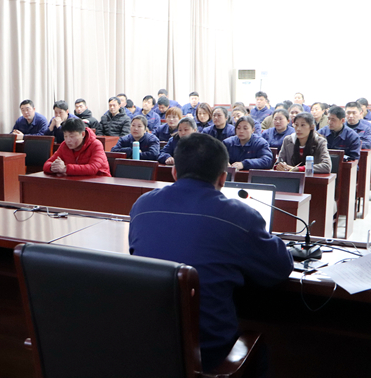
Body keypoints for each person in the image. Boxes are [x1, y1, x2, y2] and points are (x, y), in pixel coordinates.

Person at [129, 133, 293, 373]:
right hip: (210, 358)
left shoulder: (142, 206)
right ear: (223, 178)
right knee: (261, 347)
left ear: (174, 172)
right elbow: (280, 269)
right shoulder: (239, 216)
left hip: (149, 351)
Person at [43, 118, 110, 176]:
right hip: (76, 181)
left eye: (72, 136)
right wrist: (54, 167)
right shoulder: (64, 145)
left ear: (83, 134)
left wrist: (65, 169)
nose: (68, 140)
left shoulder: (96, 144)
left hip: (100, 182)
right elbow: (47, 164)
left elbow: (93, 168)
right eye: (65, 136)